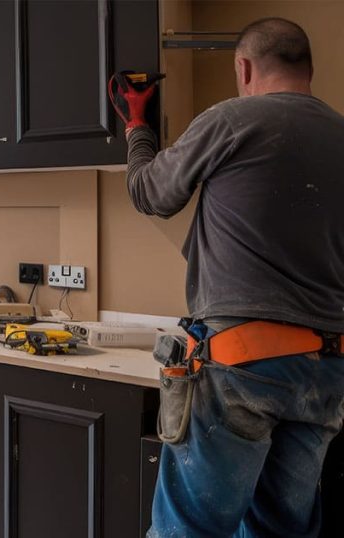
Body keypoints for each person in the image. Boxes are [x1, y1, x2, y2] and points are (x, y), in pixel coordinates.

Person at [110, 17, 344, 538]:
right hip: (327, 370)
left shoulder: (231, 120)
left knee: (190, 530)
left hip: (242, 361)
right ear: (308, 69)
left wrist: (136, 125)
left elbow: (151, 193)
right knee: (280, 530)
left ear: (243, 67)